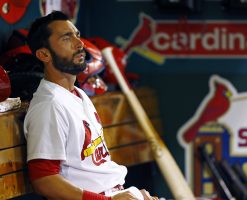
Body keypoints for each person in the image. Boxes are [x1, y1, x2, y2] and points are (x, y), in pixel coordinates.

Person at [23, 11, 158, 200]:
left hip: (117, 192)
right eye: (66, 38)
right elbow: (44, 180)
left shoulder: (78, 95)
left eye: (77, 35)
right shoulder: (50, 105)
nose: (79, 44)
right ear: (44, 54)